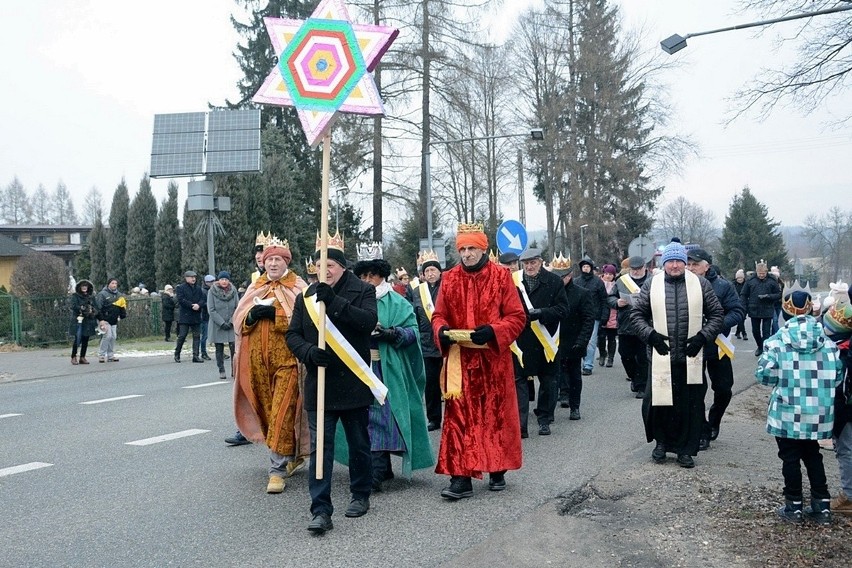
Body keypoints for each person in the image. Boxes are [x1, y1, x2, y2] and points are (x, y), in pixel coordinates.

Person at [285, 233, 379, 534]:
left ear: (341, 266)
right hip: (320, 385)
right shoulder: (306, 297)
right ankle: (321, 509)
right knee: (320, 450)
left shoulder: (363, 290)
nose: (323, 270)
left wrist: (335, 303)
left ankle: (360, 493)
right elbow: (293, 335)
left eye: (330, 264)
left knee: (359, 445)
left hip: (352, 382)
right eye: (318, 264)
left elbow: (366, 323)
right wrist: (309, 353)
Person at [430, 223, 526, 499]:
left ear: (484, 249)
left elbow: (517, 317)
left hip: (493, 359)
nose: (467, 254)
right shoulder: (449, 278)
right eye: (462, 249)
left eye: (472, 248)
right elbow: (439, 315)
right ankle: (460, 477)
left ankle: (497, 467)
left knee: (494, 416)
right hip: (460, 360)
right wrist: (441, 332)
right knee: (459, 417)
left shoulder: (500, 277)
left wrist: (494, 331)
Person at [630, 240, 724, 468]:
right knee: (658, 404)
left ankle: (685, 450)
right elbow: (636, 315)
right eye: (670, 261)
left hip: (690, 357)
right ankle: (661, 443)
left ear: (684, 263)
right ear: (664, 263)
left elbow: (717, 315)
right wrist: (650, 335)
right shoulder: (652, 284)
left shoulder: (700, 284)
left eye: (678, 261)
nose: (674, 265)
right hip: (660, 356)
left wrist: (702, 337)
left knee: (689, 406)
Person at [755, 287, 843, 524]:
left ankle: (793, 505)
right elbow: (837, 378)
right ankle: (822, 505)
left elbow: (765, 376)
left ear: (785, 312)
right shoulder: (828, 343)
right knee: (813, 454)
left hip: (787, 410)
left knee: (790, 457)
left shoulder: (776, 342)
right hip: (819, 411)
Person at [233, 237, 310, 494]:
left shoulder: (298, 286)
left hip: (288, 362)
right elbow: (239, 321)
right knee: (268, 412)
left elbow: (307, 322)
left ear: (286, 262)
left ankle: (276, 470)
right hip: (257, 364)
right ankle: (290, 454)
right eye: (269, 260)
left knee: (283, 410)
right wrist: (251, 316)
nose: (273, 264)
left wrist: (275, 315)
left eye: (278, 259)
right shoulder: (256, 286)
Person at [351, 254, 434, 492]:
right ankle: (380, 467)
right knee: (365, 418)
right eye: (363, 276)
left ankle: (376, 471)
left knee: (384, 417)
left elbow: (413, 333)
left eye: (372, 275)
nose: (367, 280)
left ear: (382, 277)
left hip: (388, 369)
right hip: (359, 367)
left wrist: (392, 333)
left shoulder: (398, 302)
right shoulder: (353, 300)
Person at [686, 248, 746, 450]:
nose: (691, 268)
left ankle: (714, 421)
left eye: (695, 264)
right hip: (692, 346)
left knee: (723, 389)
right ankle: (702, 430)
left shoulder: (722, 286)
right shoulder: (681, 284)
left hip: (717, 344)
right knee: (696, 390)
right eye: (689, 264)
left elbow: (738, 312)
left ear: (707, 266)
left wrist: (716, 325)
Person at [513, 248, 569, 436]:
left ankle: (544, 419)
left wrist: (542, 313)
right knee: (519, 381)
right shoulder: (514, 281)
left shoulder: (554, 281)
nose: (529, 266)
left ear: (540, 262)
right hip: (522, 339)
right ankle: (521, 425)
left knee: (548, 382)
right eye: (526, 263)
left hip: (547, 340)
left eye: (533, 262)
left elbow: (563, 309)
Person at [227, 238, 269, 447]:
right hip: (252, 341)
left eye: (264, 253)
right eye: (258, 255)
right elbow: (241, 311)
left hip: (276, 343)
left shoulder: (289, 280)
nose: (261, 258)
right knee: (249, 384)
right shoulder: (255, 279)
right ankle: (247, 429)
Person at [551, 254, 595, 420]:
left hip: (574, 341)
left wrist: (582, 341)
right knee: (554, 374)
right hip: (553, 341)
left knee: (575, 375)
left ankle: (575, 406)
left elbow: (588, 319)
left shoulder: (582, 294)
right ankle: (558, 399)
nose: (558, 280)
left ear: (569, 276)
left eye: (561, 277)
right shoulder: (551, 292)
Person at [410, 250, 444, 431]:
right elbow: (413, 315)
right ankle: (434, 418)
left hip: (447, 341)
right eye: (427, 271)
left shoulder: (448, 287)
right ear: (423, 275)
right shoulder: (417, 292)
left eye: (433, 270)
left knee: (451, 381)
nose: (430, 274)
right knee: (431, 384)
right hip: (426, 343)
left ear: (440, 272)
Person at [608, 256, 651, 398]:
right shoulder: (622, 281)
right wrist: (616, 302)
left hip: (646, 324)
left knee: (643, 357)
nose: (637, 272)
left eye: (639, 269)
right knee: (626, 355)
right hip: (626, 324)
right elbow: (610, 297)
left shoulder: (653, 281)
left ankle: (641, 386)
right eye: (634, 269)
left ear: (644, 267)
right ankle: (634, 377)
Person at [574, 256, 608, 376]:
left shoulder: (598, 282)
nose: (586, 269)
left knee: (591, 341)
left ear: (591, 268)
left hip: (594, 316)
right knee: (579, 339)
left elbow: (604, 299)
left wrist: (605, 315)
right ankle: (580, 361)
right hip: (578, 316)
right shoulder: (576, 281)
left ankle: (588, 365)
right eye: (584, 266)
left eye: (588, 266)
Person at [740, 263, 781, 356]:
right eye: (760, 273)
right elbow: (743, 294)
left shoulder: (772, 281)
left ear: (766, 272)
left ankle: (765, 348)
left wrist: (768, 296)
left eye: (763, 273)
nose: (761, 275)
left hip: (767, 309)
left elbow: (779, 294)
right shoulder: (750, 281)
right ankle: (759, 346)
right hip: (754, 309)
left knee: (766, 332)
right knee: (755, 331)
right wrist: (744, 306)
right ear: (756, 272)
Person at [207, 271, 238, 380]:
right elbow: (211, 309)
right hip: (217, 324)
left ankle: (234, 370)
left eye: (226, 279)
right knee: (219, 348)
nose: (224, 281)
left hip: (230, 323)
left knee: (233, 348)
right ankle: (221, 369)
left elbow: (237, 307)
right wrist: (221, 323)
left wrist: (231, 321)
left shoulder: (233, 291)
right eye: (222, 279)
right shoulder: (212, 291)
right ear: (218, 280)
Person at [174, 270, 206, 363]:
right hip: (185, 315)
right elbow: (181, 300)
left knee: (196, 336)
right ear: (186, 278)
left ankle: (195, 355)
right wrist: (192, 305)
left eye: (194, 277)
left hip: (196, 315)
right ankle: (177, 353)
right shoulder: (181, 288)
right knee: (182, 336)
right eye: (191, 277)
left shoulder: (198, 288)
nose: (193, 279)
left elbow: (203, 299)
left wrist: (199, 305)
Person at [95, 278, 126, 363]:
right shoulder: (102, 294)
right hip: (105, 319)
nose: (114, 285)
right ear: (108, 284)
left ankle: (110, 355)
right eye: (112, 283)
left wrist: (122, 315)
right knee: (107, 336)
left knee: (113, 337)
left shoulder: (119, 295)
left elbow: (121, 306)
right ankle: (101, 355)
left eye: (116, 283)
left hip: (114, 319)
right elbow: (98, 308)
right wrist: (100, 320)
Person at [68, 279, 98, 365]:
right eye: (83, 286)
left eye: (86, 286)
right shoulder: (75, 296)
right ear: (80, 287)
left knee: (86, 339)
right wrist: (82, 308)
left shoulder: (91, 297)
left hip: (88, 320)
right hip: (79, 320)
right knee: (78, 339)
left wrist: (93, 312)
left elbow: (96, 307)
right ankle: (73, 356)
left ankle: (82, 357)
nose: (84, 288)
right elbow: (73, 306)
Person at [597, 264, 619, 367]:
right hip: (601, 314)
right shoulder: (598, 283)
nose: (608, 276)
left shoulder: (617, 285)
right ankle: (602, 354)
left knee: (611, 338)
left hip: (613, 314)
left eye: (610, 274)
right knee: (600, 337)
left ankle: (611, 358)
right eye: (606, 273)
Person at [200, 274, 214, 360]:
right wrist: (210, 305)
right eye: (211, 282)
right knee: (204, 336)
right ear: (206, 282)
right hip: (205, 316)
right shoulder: (203, 291)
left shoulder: (213, 290)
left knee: (216, 334)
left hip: (211, 315)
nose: (212, 283)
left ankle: (220, 352)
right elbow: (202, 303)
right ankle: (203, 352)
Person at [732, 269, 748, 340]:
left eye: (741, 278)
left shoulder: (747, 284)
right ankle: (744, 333)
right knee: (741, 319)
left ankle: (738, 331)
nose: (740, 279)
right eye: (738, 278)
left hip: (745, 304)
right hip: (736, 304)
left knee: (742, 319)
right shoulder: (733, 285)